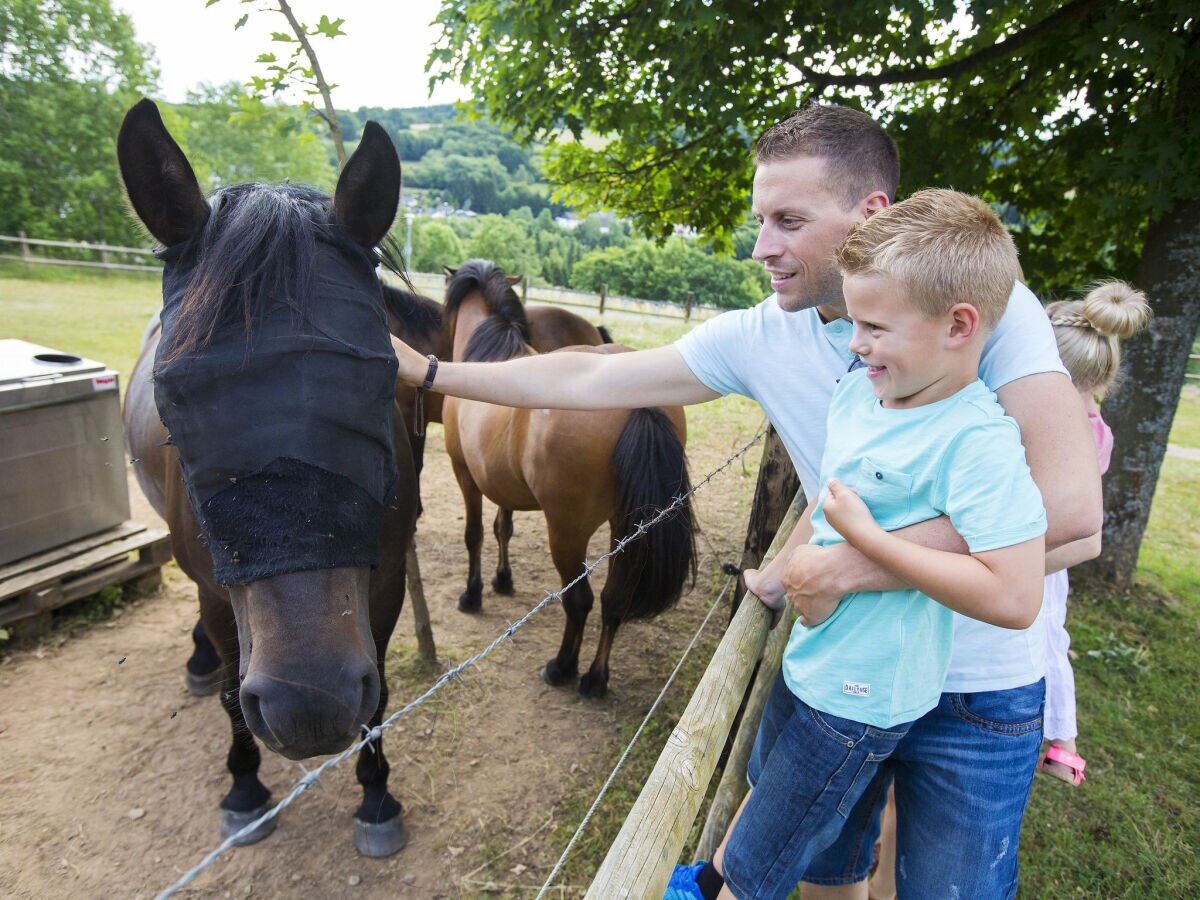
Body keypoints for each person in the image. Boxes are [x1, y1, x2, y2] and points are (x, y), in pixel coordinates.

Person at [390, 104, 1103, 896]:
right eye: (761, 219)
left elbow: (1069, 512)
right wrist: (432, 376)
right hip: (838, 675)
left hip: (976, 687)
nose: (763, 247)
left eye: (789, 220)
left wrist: (850, 569)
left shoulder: (971, 314)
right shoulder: (766, 336)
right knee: (827, 875)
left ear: (869, 215)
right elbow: (587, 375)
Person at [706, 188, 1050, 897]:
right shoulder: (862, 393)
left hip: (863, 699)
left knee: (746, 868)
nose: (855, 342)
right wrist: (779, 576)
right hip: (809, 669)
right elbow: (830, 499)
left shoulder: (977, 440)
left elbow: (1015, 597)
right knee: (795, 844)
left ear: (960, 325)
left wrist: (871, 544)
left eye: (874, 327)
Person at [1037, 281, 1151, 785]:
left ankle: (1060, 738)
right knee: (1051, 638)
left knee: (1037, 635)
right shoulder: (1097, 429)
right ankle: (1063, 742)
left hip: (1033, 548)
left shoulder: (1039, 422)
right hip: (1054, 557)